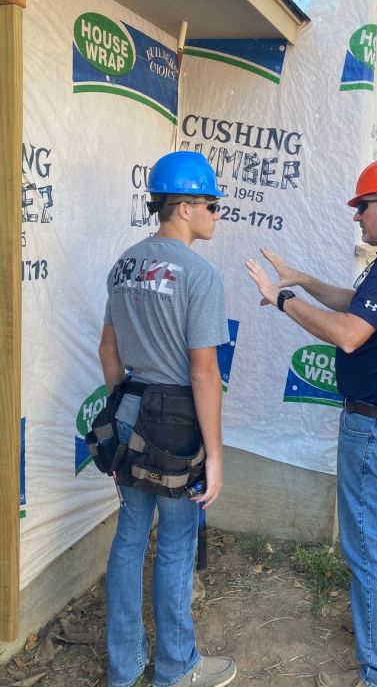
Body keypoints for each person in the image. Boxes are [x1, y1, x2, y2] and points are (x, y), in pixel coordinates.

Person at [245, 158, 377, 687]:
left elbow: (351, 332)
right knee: (376, 537)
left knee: (368, 547)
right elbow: (358, 305)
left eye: (362, 207)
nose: (357, 218)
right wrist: (304, 280)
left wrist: (281, 298)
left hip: (376, 427)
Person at [98, 151, 237, 687]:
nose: (216, 213)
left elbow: (109, 349)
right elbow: (204, 373)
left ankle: (123, 666)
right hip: (179, 419)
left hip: (132, 408)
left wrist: (121, 410)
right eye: (211, 203)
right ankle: (176, 667)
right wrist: (217, 454)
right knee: (177, 539)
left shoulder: (124, 264)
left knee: (131, 535)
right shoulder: (200, 275)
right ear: (183, 206)